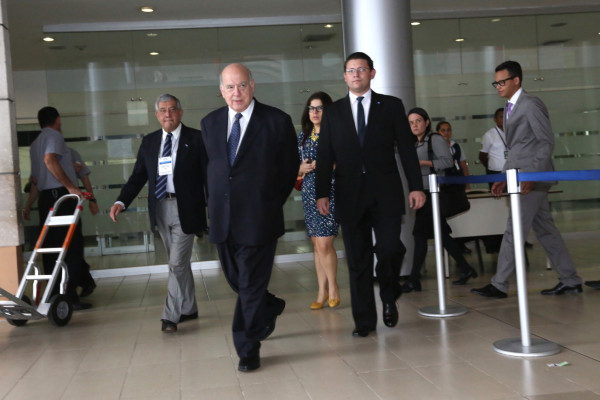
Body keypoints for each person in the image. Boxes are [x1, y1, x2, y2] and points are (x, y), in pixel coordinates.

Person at [315, 52, 426, 338]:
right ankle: (364, 321)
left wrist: (416, 186)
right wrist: (322, 193)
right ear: (344, 76)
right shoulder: (334, 112)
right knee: (358, 259)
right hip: (349, 195)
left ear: (372, 74)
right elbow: (325, 154)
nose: (356, 74)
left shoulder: (391, 106)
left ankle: (389, 294)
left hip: (385, 192)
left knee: (389, 248)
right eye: (351, 70)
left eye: (361, 69)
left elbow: (406, 149)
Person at [201, 63, 298, 372]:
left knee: (250, 285)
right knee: (237, 281)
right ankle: (270, 305)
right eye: (230, 87)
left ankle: (247, 348)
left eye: (242, 85)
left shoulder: (276, 121)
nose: (236, 92)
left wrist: (268, 202)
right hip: (223, 219)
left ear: (253, 85)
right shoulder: (210, 123)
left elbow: (288, 169)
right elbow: (212, 170)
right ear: (221, 91)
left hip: (259, 217)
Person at [471, 60, 583, 299]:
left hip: (531, 179)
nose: (498, 86)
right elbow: (517, 148)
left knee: (514, 230)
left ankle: (499, 284)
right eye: (495, 83)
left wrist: (533, 175)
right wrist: (505, 176)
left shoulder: (531, 104)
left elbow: (545, 141)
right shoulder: (509, 107)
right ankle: (570, 279)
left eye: (502, 82)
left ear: (516, 80)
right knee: (546, 231)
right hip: (521, 177)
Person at [109, 94, 207, 333]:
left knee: (176, 263)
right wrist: (122, 200)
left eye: (172, 109)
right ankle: (189, 307)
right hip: (161, 208)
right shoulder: (150, 142)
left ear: (180, 112)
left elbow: (209, 176)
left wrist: (216, 207)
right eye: (163, 110)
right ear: (156, 115)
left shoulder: (197, 139)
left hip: (187, 209)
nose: (168, 114)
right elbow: (138, 176)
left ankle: (170, 316)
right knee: (179, 263)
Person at [402, 108, 478, 293]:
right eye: (411, 123)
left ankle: (413, 279)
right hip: (423, 192)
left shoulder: (434, 139)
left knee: (420, 234)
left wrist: (422, 163)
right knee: (439, 234)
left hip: (433, 193)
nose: (415, 125)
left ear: (427, 122)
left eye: (418, 121)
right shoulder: (414, 142)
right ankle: (466, 268)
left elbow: (447, 162)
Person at [29, 106, 90, 310]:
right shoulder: (54, 135)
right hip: (62, 198)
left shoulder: (35, 143)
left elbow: (35, 179)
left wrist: (29, 205)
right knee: (71, 247)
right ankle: (69, 297)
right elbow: (50, 160)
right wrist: (71, 187)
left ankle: (54, 295)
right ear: (57, 120)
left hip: (46, 199)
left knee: (51, 249)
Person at [24, 147, 98, 297]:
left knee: (72, 246)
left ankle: (73, 288)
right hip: (49, 200)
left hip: (67, 198)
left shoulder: (70, 153)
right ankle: (79, 283)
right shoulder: (40, 155)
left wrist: (92, 199)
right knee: (54, 247)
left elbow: (84, 176)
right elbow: (35, 184)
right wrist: (28, 205)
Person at [297, 91, 340, 310]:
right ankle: (321, 291)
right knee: (316, 245)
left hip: (330, 192)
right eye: (311, 108)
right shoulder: (303, 137)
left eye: (320, 108)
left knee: (324, 243)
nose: (314, 112)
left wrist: (325, 165)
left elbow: (345, 160)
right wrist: (301, 168)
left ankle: (333, 287)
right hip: (308, 193)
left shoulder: (335, 134)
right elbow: (295, 166)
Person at [479, 107, 506, 188]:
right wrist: (491, 167)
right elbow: (482, 156)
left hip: (510, 171)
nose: (504, 119)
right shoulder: (489, 135)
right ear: (495, 119)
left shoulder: (512, 132)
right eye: (501, 117)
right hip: (495, 172)